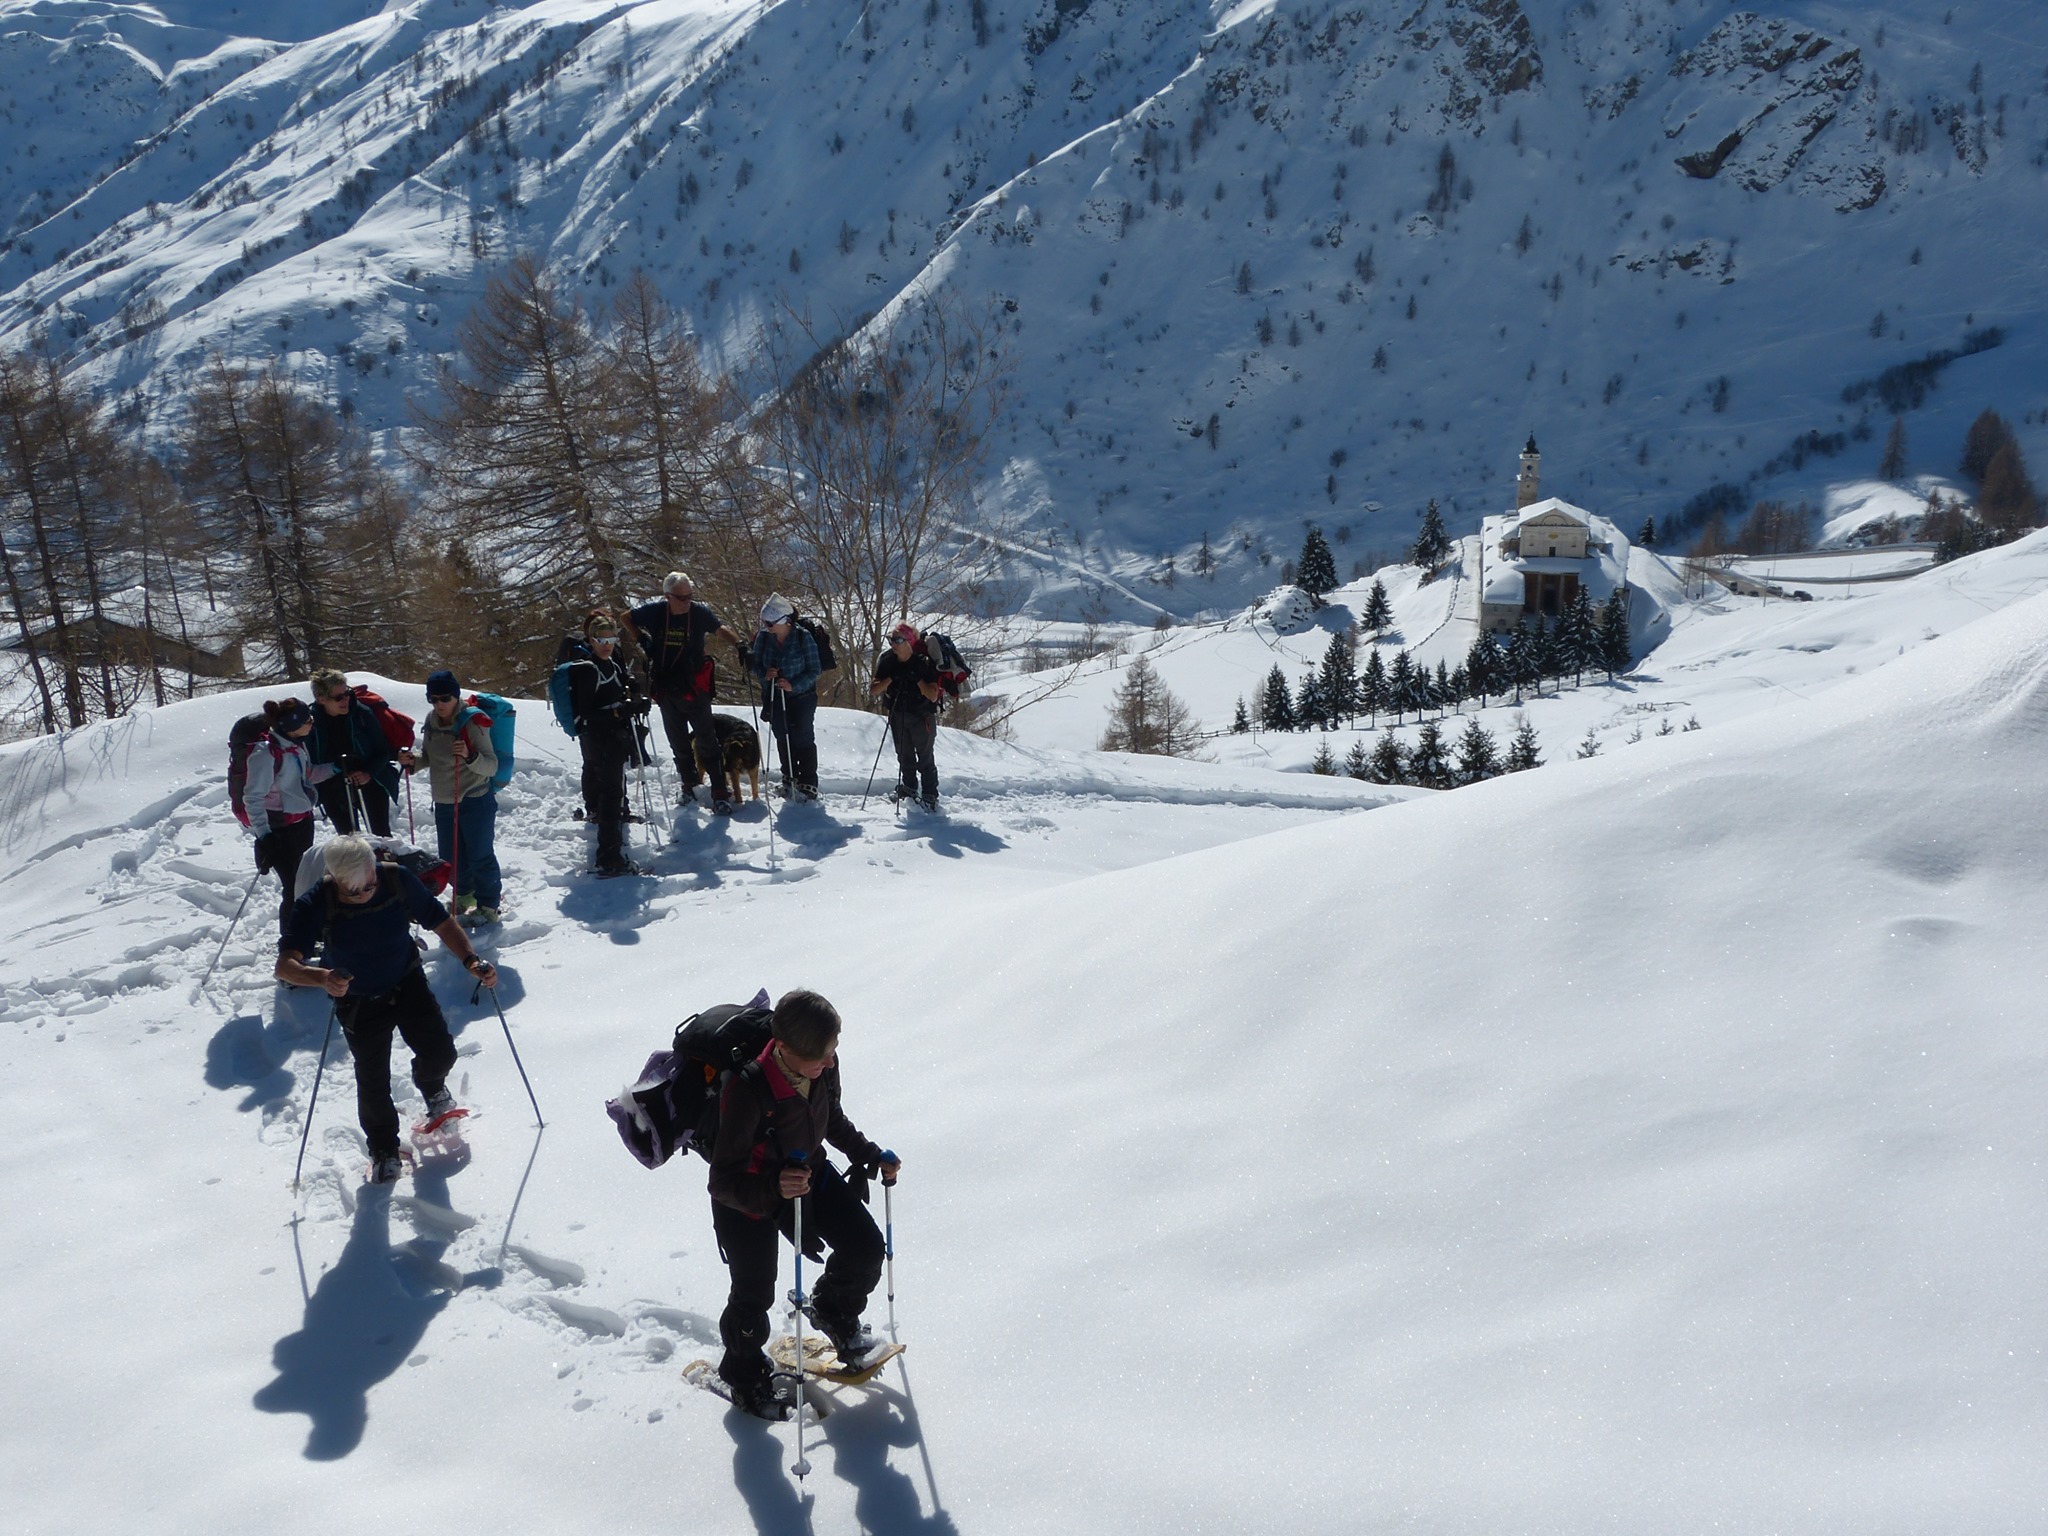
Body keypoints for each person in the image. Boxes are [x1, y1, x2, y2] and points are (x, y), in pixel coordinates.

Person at [710, 989, 900, 1420]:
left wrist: (868, 1154)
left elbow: (829, 1116)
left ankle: (833, 1308)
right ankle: (743, 1374)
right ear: (786, 1051)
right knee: (753, 1294)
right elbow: (721, 1181)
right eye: (823, 1056)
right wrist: (774, 1188)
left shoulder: (822, 1064)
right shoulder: (746, 1090)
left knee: (866, 1248)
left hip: (809, 1172)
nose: (831, 1062)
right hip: (749, 1199)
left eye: (834, 1050)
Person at [275, 834, 498, 1184]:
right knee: (373, 1077)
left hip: (405, 979)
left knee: (440, 1051)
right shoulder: (316, 900)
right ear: (335, 879)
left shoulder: (395, 878)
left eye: (370, 885)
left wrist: (470, 959)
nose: (365, 893)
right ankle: (383, 1148)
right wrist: (322, 977)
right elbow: (285, 965)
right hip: (358, 997)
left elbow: (440, 921)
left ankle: (431, 1085)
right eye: (356, 891)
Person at [627, 571, 744, 812]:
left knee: (707, 740)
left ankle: (719, 790)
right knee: (678, 741)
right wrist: (641, 640)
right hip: (667, 688)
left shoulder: (698, 613)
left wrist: (740, 645)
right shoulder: (656, 612)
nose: (687, 601)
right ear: (667, 596)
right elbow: (625, 617)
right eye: (682, 598)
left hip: (694, 687)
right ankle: (689, 785)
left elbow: (719, 628)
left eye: (690, 596)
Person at [398, 669, 502, 923]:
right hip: (444, 801)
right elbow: (430, 757)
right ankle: (465, 895)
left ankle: (489, 905)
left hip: (475, 797)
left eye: (445, 698)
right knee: (451, 856)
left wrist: (470, 755)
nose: (439, 704)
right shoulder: (431, 720)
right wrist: (413, 762)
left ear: (456, 696)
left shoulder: (472, 721)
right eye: (433, 699)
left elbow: (492, 765)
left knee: (480, 854)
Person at [566, 609, 650, 876]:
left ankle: (610, 852)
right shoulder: (588, 669)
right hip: (599, 740)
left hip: (613, 738)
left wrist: (635, 697)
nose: (606, 645)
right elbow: (586, 711)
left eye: (611, 639)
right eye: (601, 640)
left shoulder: (611, 664)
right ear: (591, 640)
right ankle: (608, 856)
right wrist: (617, 711)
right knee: (611, 795)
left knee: (614, 794)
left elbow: (619, 689)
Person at [243, 698, 334, 932]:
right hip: (280, 831)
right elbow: (252, 798)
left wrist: (337, 767)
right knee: (294, 887)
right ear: (293, 724)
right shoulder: (266, 753)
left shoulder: (296, 745)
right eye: (308, 720)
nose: (312, 723)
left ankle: (307, 935)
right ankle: (291, 943)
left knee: (306, 882)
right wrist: (265, 836)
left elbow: (308, 774)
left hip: (302, 823)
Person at [306, 669, 401, 838]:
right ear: (321, 699)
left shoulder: (362, 714)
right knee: (349, 841)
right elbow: (308, 761)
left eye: (347, 693)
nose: (346, 700)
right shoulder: (310, 722)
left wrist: (368, 773)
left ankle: (386, 863)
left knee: (381, 836)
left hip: (370, 783)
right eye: (338, 697)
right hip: (332, 787)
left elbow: (382, 751)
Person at [748, 594, 821, 802]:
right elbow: (754, 664)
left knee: (803, 736)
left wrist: (793, 684)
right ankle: (789, 777)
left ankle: (808, 782)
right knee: (782, 735)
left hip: (802, 696)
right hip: (774, 695)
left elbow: (814, 669)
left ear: (785, 621)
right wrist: (765, 673)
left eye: (771, 623)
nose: (767, 626)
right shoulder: (763, 637)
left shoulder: (802, 637)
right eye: (765, 623)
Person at [869, 622, 942, 810]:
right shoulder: (887, 660)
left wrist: (916, 678)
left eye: (897, 640)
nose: (893, 643)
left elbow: (933, 695)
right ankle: (909, 789)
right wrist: (892, 678)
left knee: (925, 757)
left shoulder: (924, 663)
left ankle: (929, 795)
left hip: (921, 716)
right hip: (897, 714)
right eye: (891, 639)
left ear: (909, 642)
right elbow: (874, 690)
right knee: (904, 755)